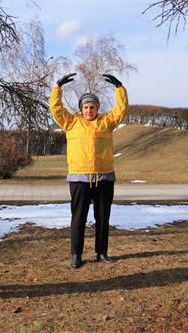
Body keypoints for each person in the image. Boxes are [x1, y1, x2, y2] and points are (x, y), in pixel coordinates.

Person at [49, 73, 128, 269]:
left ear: (97, 108)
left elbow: (121, 109)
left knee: (103, 219)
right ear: (81, 109)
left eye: (92, 107)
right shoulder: (71, 123)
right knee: (78, 219)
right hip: (79, 178)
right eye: (85, 107)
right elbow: (55, 108)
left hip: (104, 178)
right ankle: (76, 254)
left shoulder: (106, 122)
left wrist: (119, 88)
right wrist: (58, 87)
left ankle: (102, 252)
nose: (89, 110)